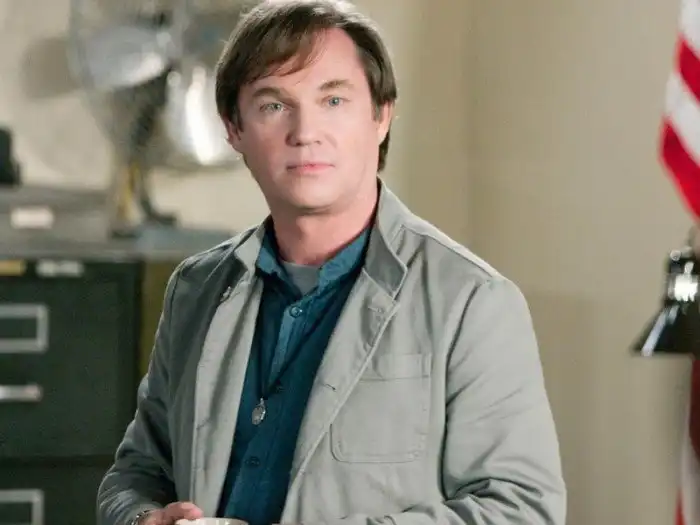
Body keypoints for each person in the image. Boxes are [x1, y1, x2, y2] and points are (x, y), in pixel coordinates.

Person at [97, 1, 567, 524]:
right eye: (274, 105)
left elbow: (520, 511)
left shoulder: (471, 299)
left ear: (381, 116)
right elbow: (137, 472)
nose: (305, 132)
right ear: (234, 129)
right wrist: (143, 518)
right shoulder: (196, 287)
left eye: (334, 100)